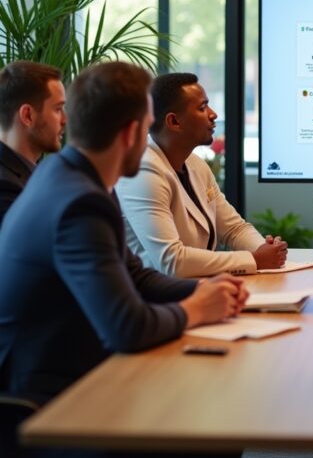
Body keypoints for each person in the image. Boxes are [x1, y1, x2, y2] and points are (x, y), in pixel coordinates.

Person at [0, 62, 246, 405]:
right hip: (46, 400)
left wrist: (206, 289)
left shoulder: (69, 177)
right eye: (147, 129)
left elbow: (136, 275)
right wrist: (197, 308)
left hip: (70, 372)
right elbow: (127, 327)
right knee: (211, 408)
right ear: (131, 134)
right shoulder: (79, 202)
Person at [117, 72, 287, 277]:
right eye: (202, 107)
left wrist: (263, 250)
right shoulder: (142, 171)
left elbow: (233, 229)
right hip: (153, 300)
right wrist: (255, 260)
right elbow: (172, 261)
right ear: (174, 122)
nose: (213, 114)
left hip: (197, 289)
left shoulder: (195, 164)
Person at [0, 61, 66, 224]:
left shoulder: (39, 173)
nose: (65, 120)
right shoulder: (6, 188)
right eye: (58, 109)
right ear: (28, 115)